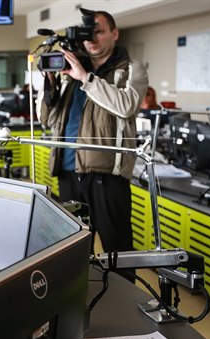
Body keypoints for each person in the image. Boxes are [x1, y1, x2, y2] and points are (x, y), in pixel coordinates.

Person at [38, 10, 148, 282]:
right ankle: (75, 307)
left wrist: (86, 78)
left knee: (117, 250)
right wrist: (51, 86)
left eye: (98, 31)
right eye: (87, 34)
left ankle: (124, 314)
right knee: (71, 249)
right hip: (68, 172)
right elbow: (47, 119)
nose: (92, 39)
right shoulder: (74, 73)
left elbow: (126, 106)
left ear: (114, 33)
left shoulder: (131, 67)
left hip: (106, 176)